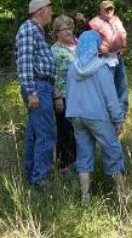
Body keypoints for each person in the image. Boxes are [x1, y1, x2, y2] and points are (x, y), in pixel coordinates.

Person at [66, 30, 126, 207]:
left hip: (76, 116)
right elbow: (111, 97)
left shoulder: (72, 67)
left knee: (83, 154)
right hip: (97, 116)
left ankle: (85, 198)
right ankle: (122, 196)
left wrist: (71, 114)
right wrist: (118, 119)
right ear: (94, 46)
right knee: (112, 151)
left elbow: (68, 93)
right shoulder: (101, 67)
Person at [15, 0, 56, 188]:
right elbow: (24, 63)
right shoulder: (29, 29)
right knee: (46, 133)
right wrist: (32, 92)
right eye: (50, 9)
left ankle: (32, 176)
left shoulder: (37, 31)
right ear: (41, 11)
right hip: (37, 88)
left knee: (34, 134)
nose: (52, 12)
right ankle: (40, 179)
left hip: (43, 86)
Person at [89, 0, 129, 116]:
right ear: (100, 10)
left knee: (121, 85)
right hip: (104, 59)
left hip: (118, 57)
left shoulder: (116, 19)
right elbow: (89, 40)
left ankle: (122, 113)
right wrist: (100, 47)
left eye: (111, 8)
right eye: (106, 9)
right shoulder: (93, 23)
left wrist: (124, 46)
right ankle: (109, 113)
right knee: (107, 87)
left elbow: (123, 34)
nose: (109, 11)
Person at [51, 15, 77, 178]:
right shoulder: (54, 51)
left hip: (81, 96)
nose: (68, 31)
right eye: (63, 29)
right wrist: (57, 97)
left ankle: (79, 163)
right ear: (56, 33)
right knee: (65, 131)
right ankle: (64, 167)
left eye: (70, 27)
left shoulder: (79, 45)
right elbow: (50, 76)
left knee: (79, 131)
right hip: (64, 97)